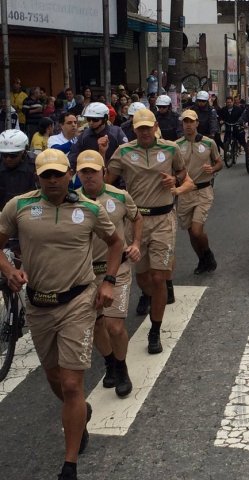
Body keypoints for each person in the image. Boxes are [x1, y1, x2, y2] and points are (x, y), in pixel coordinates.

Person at [0, 148, 123, 480]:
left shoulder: (89, 208)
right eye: (46, 175)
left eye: (58, 174)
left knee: (71, 383)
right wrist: (9, 269)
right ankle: (79, 413)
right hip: (38, 306)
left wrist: (108, 281)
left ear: (70, 174)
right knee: (56, 380)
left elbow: (116, 243)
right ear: (37, 178)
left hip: (78, 302)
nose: (53, 180)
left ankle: (69, 465)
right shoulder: (20, 206)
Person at [106, 109, 187, 354]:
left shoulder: (171, 149)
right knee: (142, 277)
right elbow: (108, 182)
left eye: (147, 127)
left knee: (158, 277)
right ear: (134, 129)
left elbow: (182, 174)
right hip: (136, 220)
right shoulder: (124, 152)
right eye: (139, 127)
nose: (143, 132)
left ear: (155, 127)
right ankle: (150, 298)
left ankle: (155, 329)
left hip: (163, 218)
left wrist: (175, 180)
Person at [76, 150, 142, 399]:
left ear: (104, 172)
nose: (89, 176)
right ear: (78, 174)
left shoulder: (120, 196)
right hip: (86, 274)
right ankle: (110, 363)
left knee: (114, 326)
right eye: (84, 172)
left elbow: (137, 218)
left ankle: (122, 368)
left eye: (93, 171)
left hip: (118, 269)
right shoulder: (72, 202)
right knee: (96, 325)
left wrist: (135, 243)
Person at [176, 110, 222, 273]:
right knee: (191, 232)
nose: (188, 125)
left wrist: (213, 168)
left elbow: (219, 162)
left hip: (203, 191)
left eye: (191, 121)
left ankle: (208, 254)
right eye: (185, 122)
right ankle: (203, 261)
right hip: (185, 193)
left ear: (197, 123)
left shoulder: (209, 143)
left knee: (197, 230)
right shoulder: (177, 145)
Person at [68, 102, 128, 170]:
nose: (91, 122)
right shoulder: (83, 135)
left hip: (113, 175)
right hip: (89, 174)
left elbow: (126, 156)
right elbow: (72, 157)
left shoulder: (117, 133)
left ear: (105, 118)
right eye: (88, 119)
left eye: (95, 119)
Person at [0, 130, 36, 210]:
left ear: (24, 152)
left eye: (13, 155)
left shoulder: (35, 167)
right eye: (4, 155)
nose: (8, 159)